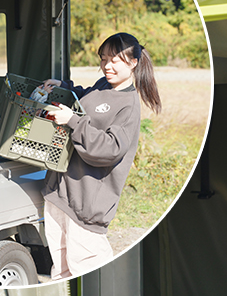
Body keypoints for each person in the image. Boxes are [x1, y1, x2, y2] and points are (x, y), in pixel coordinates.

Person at [40, 32, 162, 280]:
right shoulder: (103, 85)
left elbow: (109, 149)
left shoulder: (128, 105)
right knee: (61, 270)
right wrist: (64, 86)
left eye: (115, 60)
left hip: (86, 206)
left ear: (133, 62)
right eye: (104, 58)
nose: (107, 65)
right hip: (60, 194)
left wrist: (73, 121)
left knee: (89, 275)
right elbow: (87, 98)